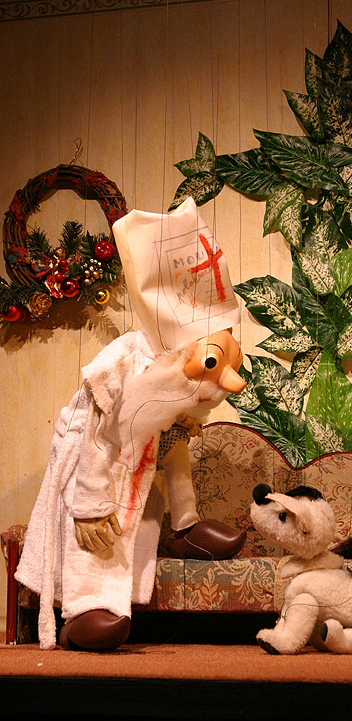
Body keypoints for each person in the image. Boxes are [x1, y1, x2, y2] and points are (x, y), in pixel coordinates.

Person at [16, 198, 247, 650]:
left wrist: (178, 425)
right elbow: (94, 436)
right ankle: (86, 609)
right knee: (105, 524)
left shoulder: (168, 372)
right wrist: (88, 503)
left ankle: (187, 527)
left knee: (171, 456)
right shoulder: (124, 362)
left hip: (143, 446)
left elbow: (168, 416)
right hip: (97, 454)